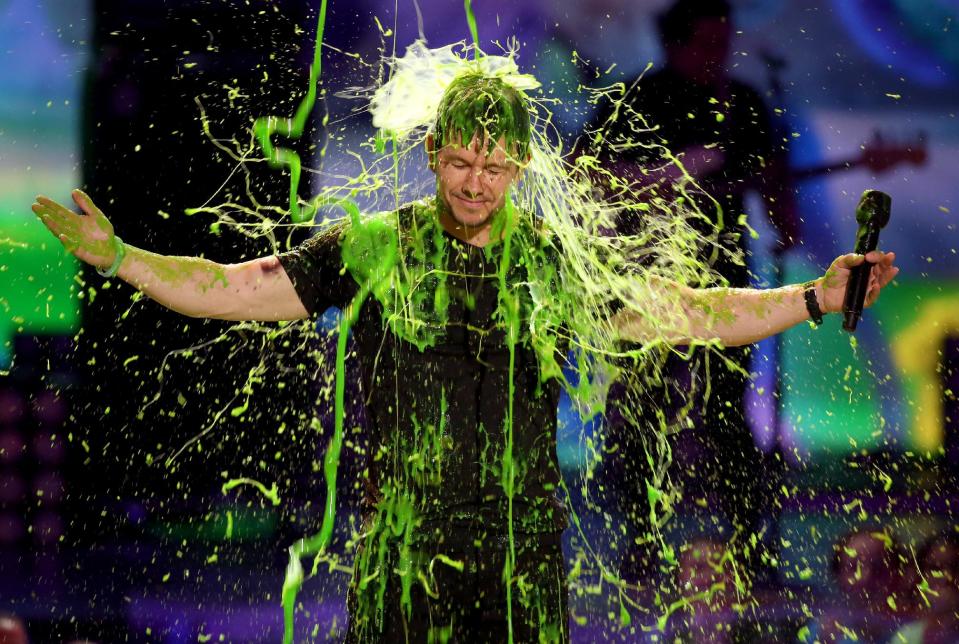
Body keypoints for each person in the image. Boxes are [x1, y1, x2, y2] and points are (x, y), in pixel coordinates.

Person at [31, 71, 898, 642]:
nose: (474, 182)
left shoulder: (554, 263)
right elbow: (229, 287)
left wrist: (813, 297)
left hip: (519, 547)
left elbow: (687, 314)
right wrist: (121, 259)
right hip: (399, 545)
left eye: (493, 164)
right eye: (457, 161)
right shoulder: (371, 248)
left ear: (520, 165)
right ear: (431, 154)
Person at [587, 0, 801, 581]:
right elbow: (589, 176)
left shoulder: (746, 103)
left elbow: (773, 178)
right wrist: (663, 176)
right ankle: (640, 540)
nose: (718, 56)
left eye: (724, 43)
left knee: (729, 413)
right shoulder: (635, 101)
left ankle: (750, 547)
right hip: (646, 281)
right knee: (639, 412)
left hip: (723, 279)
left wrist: (785, 222)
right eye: (707, 43)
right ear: (676, 43)